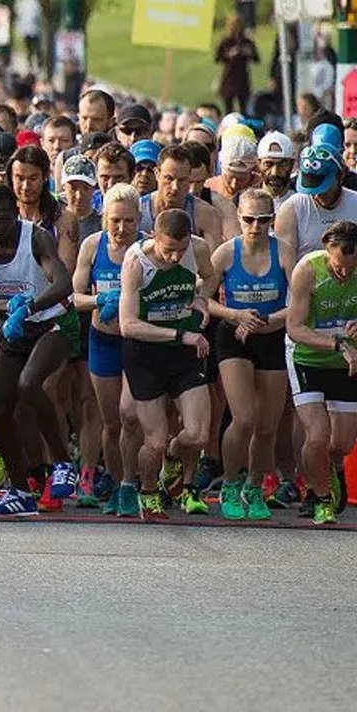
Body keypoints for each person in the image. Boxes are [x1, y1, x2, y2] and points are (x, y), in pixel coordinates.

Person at [0, 184, 75, 515]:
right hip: (15, 326)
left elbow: (62, 283)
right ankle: (20, 489)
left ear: (17, 213)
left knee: (29, 384)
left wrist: (28, 307)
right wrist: (4, 307)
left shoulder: (36, 237)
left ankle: (62, 461)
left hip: (52, 323)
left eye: (3, 218)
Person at [118, 208, 218, 521]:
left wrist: (202, 297)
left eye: (181, 249)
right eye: (168, 250)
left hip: (183, 351)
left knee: (199, 435)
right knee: (155, 440)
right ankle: (148, 490)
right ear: (153, 238)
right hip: (145, 353)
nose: (175, 258)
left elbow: (212, 275)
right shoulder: (137, 262)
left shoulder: (198, 249)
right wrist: (181, 334)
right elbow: (127, 325)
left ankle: (174, 456)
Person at [284, 220, 357, 526]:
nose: (344, 273)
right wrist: (339, 344)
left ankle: (331, 469)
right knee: (317, 436)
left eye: (350, 268)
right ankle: (321, 498)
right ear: (327, 250)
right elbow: (295, 327)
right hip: (307, 358)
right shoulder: (308, 269)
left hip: (345, 363)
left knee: (341, 445)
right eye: (339, 266)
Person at [209, 188, 289, 521]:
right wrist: (235, 315)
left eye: (264, 220)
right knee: (242, 418)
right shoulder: (226, 254)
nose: (256, 227)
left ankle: (254, 485)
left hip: (271, 336)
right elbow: (203, 299)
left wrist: (267, 320)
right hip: (234, 337)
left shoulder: (284, 252)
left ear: (272, 220)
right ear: (239, 218)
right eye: (249, 219)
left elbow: (300, 303)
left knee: (267, 425)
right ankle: (229, 482)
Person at [71, 182, 141, 515]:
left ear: (139, 220)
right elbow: (74, 297)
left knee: (131, 417)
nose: (122, 228)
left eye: (129, 221)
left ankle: (132, 482)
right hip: (102, 340)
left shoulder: (146, 249)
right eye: (115, 220)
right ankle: (116, 485)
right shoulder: (92, 246)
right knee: (111, 423)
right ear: (104, 219)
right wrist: (101, 299)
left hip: (138, 343)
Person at [214, 16, 260, 118]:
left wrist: (248, 52)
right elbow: (218, 58)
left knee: (244, 107)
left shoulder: (247, 41)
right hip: (229, 76)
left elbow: (256, 58)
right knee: (228, 108)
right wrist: (229, 54)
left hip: (242, 77)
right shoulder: (226, 41)